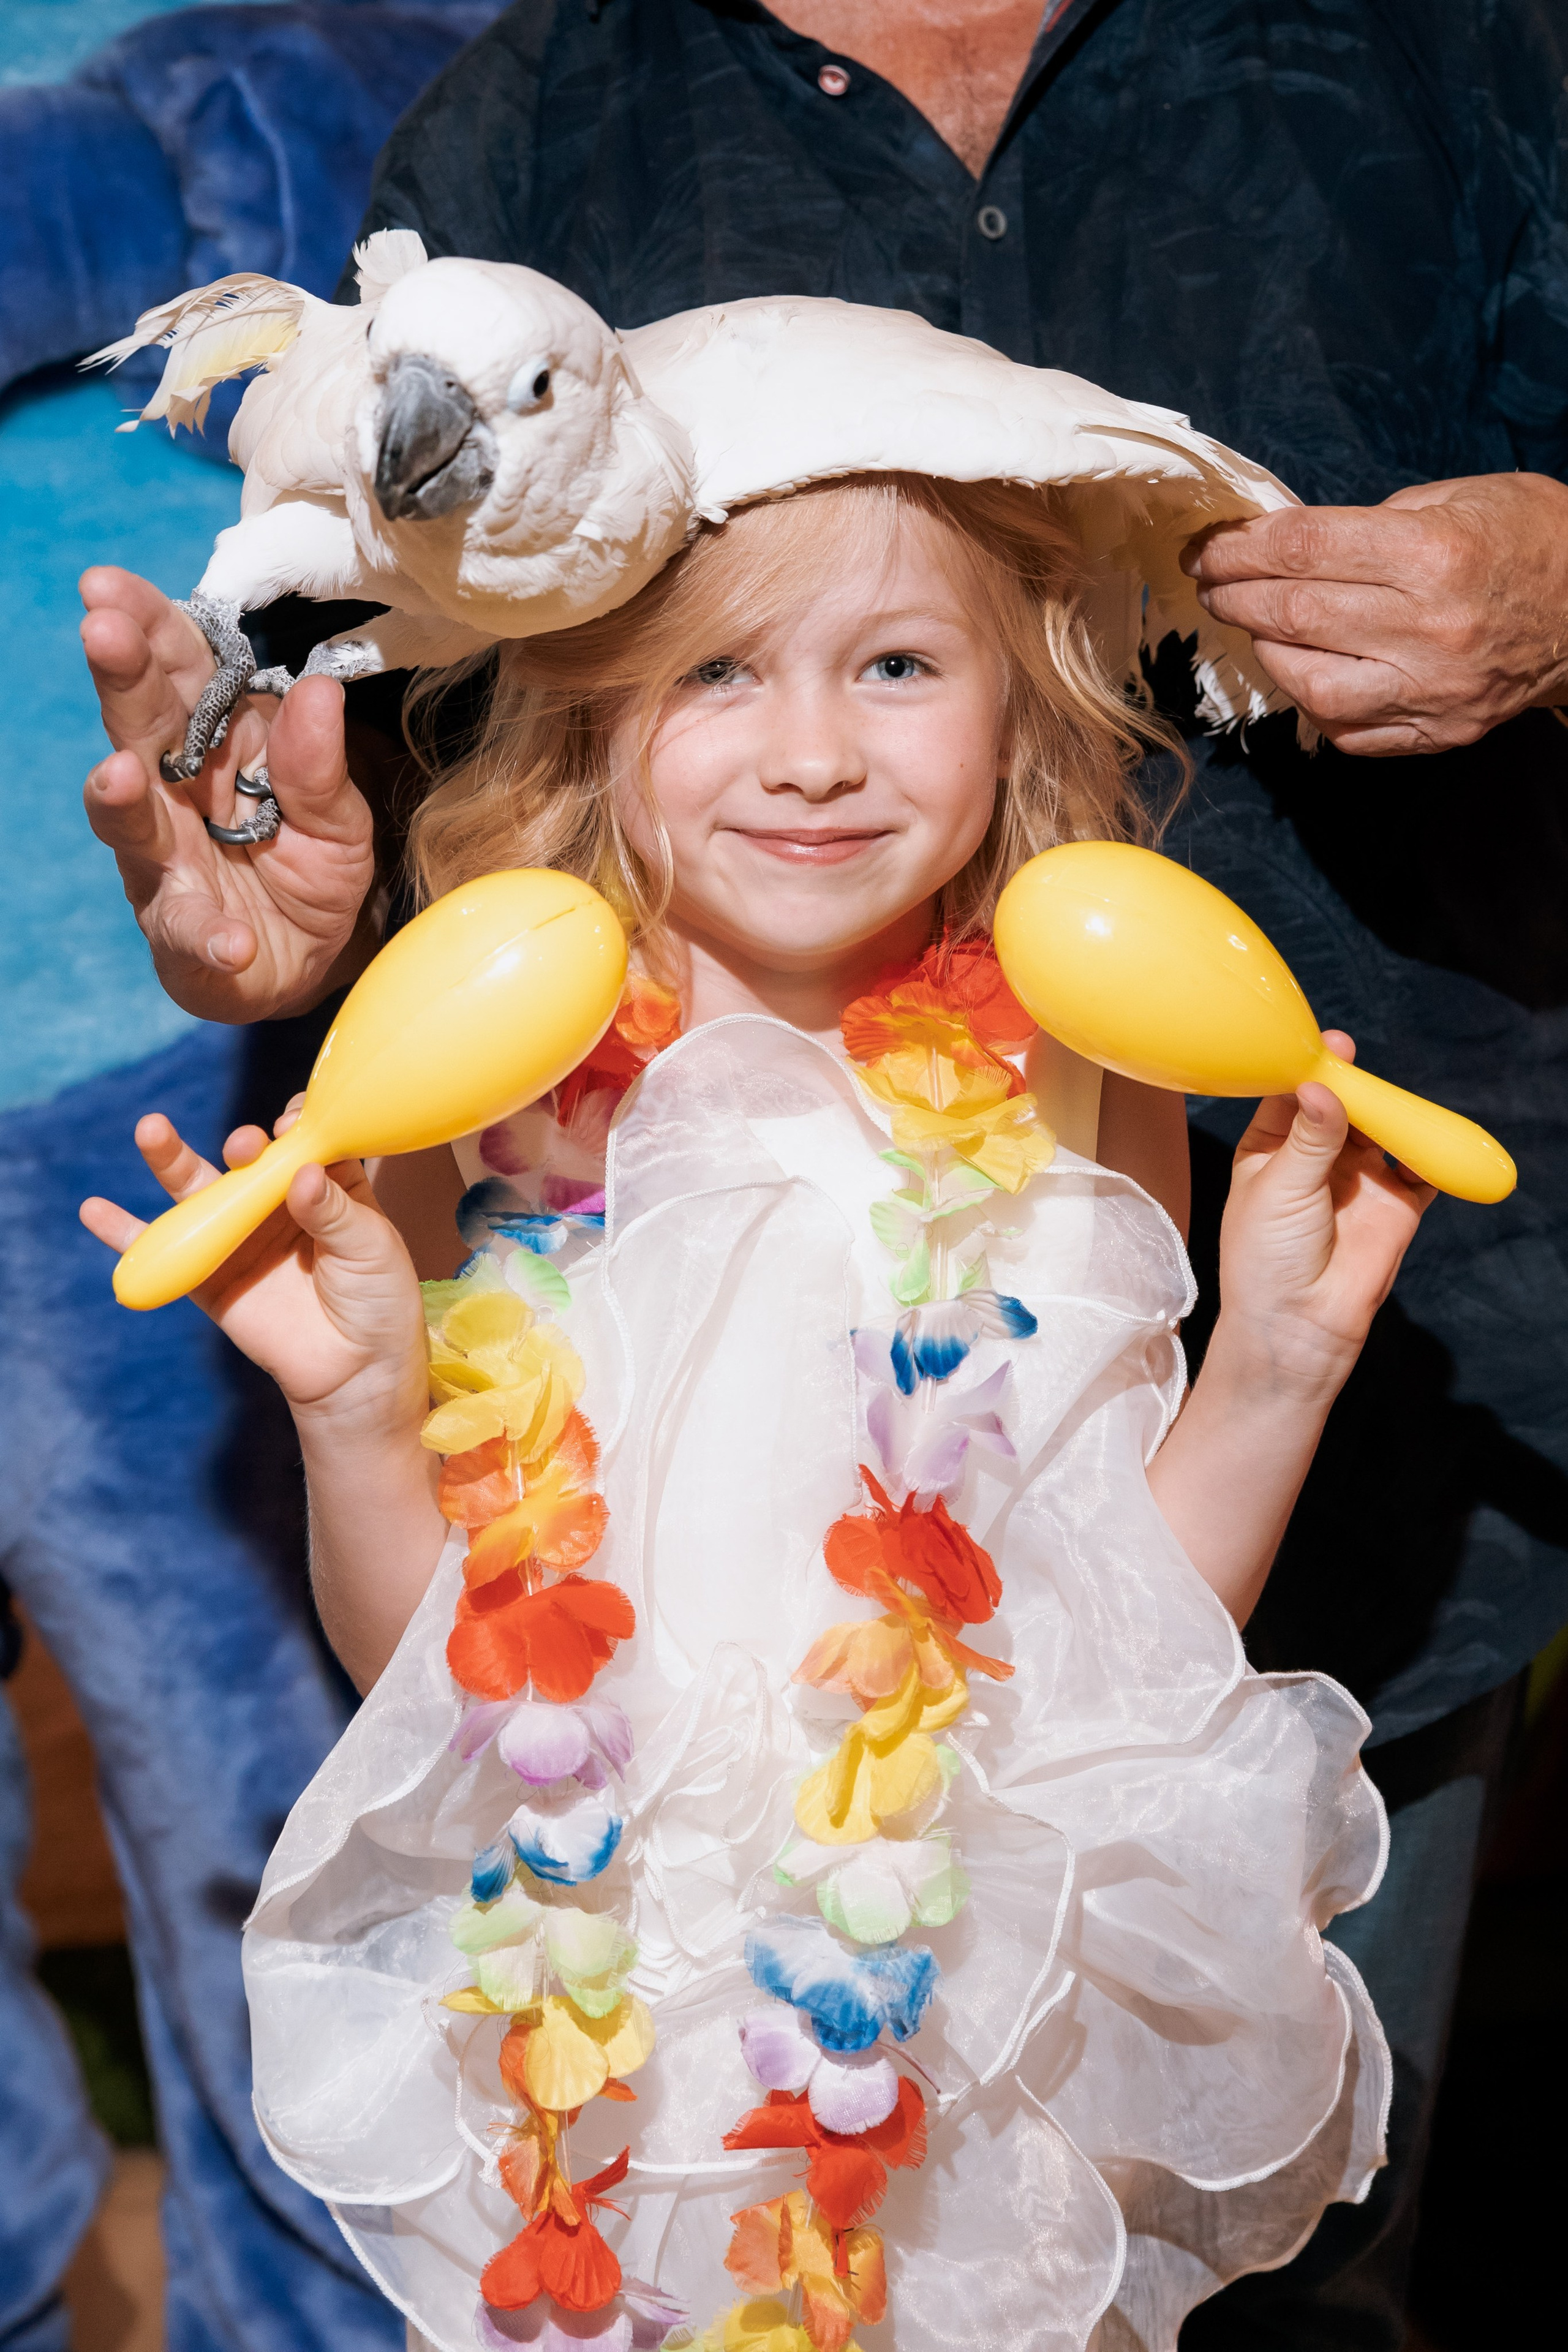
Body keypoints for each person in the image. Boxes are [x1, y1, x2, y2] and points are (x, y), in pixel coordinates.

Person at [74, 4, 1568, 2343]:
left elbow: (1121, 1636)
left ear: (1028, 710)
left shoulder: (1084, 1071)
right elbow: (439, 1663)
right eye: (718, 684)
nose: (812, 757)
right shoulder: (535, 1068)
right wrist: (363, 1417)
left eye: (896, 669)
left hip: (982, 2037)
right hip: (625, 2039)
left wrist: (1268, 1371)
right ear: (586, 716)